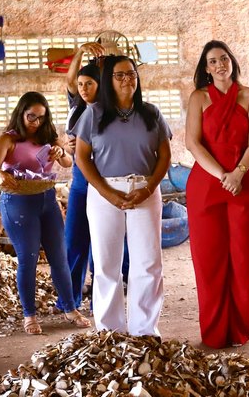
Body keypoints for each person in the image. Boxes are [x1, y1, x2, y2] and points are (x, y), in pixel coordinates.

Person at [74, 55, 171, 336]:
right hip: (105, 192)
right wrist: (108, 193)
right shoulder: (94, 114)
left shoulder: (151, 113)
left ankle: (145, 330)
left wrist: (149, 188)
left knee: (148, 261)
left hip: (145, 190)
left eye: (131, 74)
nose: (128, 79)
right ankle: (110, 331)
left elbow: (164, 156)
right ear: (109, 81)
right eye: (120, 75)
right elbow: (82, 158)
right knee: (106, 263)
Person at [0, 91, 90, 335]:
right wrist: (0, 174)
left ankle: (70, 307)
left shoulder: (48, 137)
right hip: (18, 203)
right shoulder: (7, 139)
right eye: (31, 117)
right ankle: (29, 315)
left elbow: (66, 163)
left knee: (59, 257)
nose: (35, 122)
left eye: (41, 118)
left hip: (47, 200)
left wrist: (61, 153)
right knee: (28, 259)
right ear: (20, 114)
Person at [185, 40, 249, 348]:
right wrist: (223, 176)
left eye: (224, 58)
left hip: (245, 183)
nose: (220, 64)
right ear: (206, 68)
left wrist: (238, 173)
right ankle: (215, 333)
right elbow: (192, 143)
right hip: (207, 186)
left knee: (243, 259)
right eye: (213, 61)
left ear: (232, 60)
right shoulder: (198, 98)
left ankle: (240, 329)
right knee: (209, 261)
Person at [61, 42, 104, 310]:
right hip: (79, 181)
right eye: (81, 84)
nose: (84, 89)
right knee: (74, 240)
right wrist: (79, 52)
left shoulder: (109, 111)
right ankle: (70, 299)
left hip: (102, 180)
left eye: (89, 83)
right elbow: (69, 79)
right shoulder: (77, 106)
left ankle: (99, 301)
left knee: (101, 244)